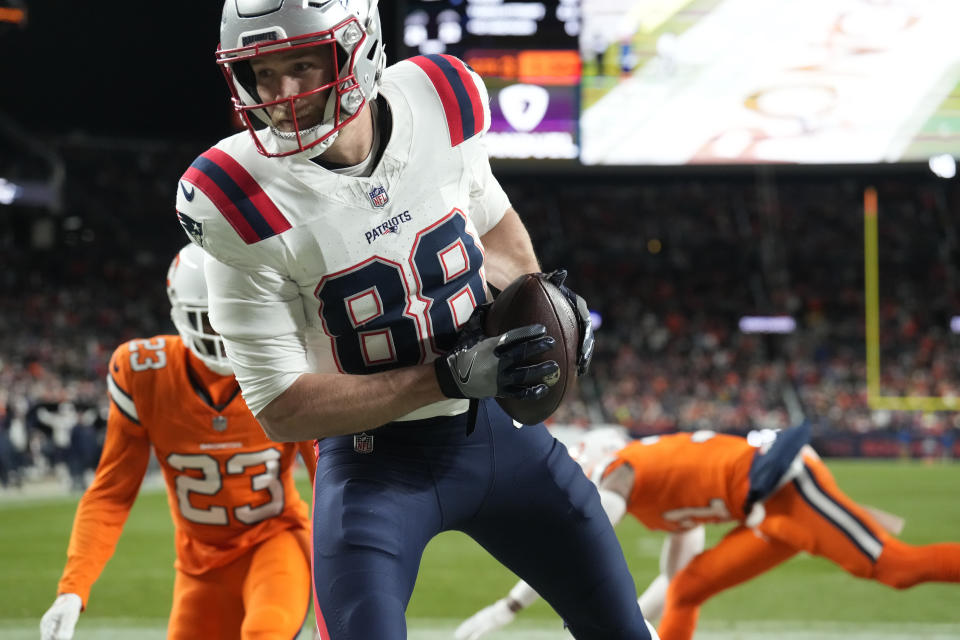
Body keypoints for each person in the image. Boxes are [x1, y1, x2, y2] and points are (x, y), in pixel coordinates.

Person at [174, 1, 653, 638]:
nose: (283, 94)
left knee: (624, 630)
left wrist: (545, 309)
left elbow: (491, 226)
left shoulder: (439, 97)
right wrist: (444, 379)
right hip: (374, 467)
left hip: (497, 436)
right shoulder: (233, 197)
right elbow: (281, 406)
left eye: (303, 64)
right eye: (263, 73)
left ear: (360, 47)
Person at [40, 244, 317, 640]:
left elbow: (329, 474)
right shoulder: (144, 373)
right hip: (199, 563)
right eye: (210, 317)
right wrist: (72, 589)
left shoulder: (286, 363)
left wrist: (340, 576)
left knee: (266, 631)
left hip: (275, 542)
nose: (223, 330)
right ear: (179, 314)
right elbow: (112, 494)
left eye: (237, 315)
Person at [456, 425, 960, 640]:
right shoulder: (654, 491)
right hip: (766, 511)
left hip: (783, 481)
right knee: (694, 585)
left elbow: (577, 539)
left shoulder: (624, 471)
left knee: (896, 568)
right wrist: (626, 627)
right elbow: (675, 582)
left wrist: (510, 607)